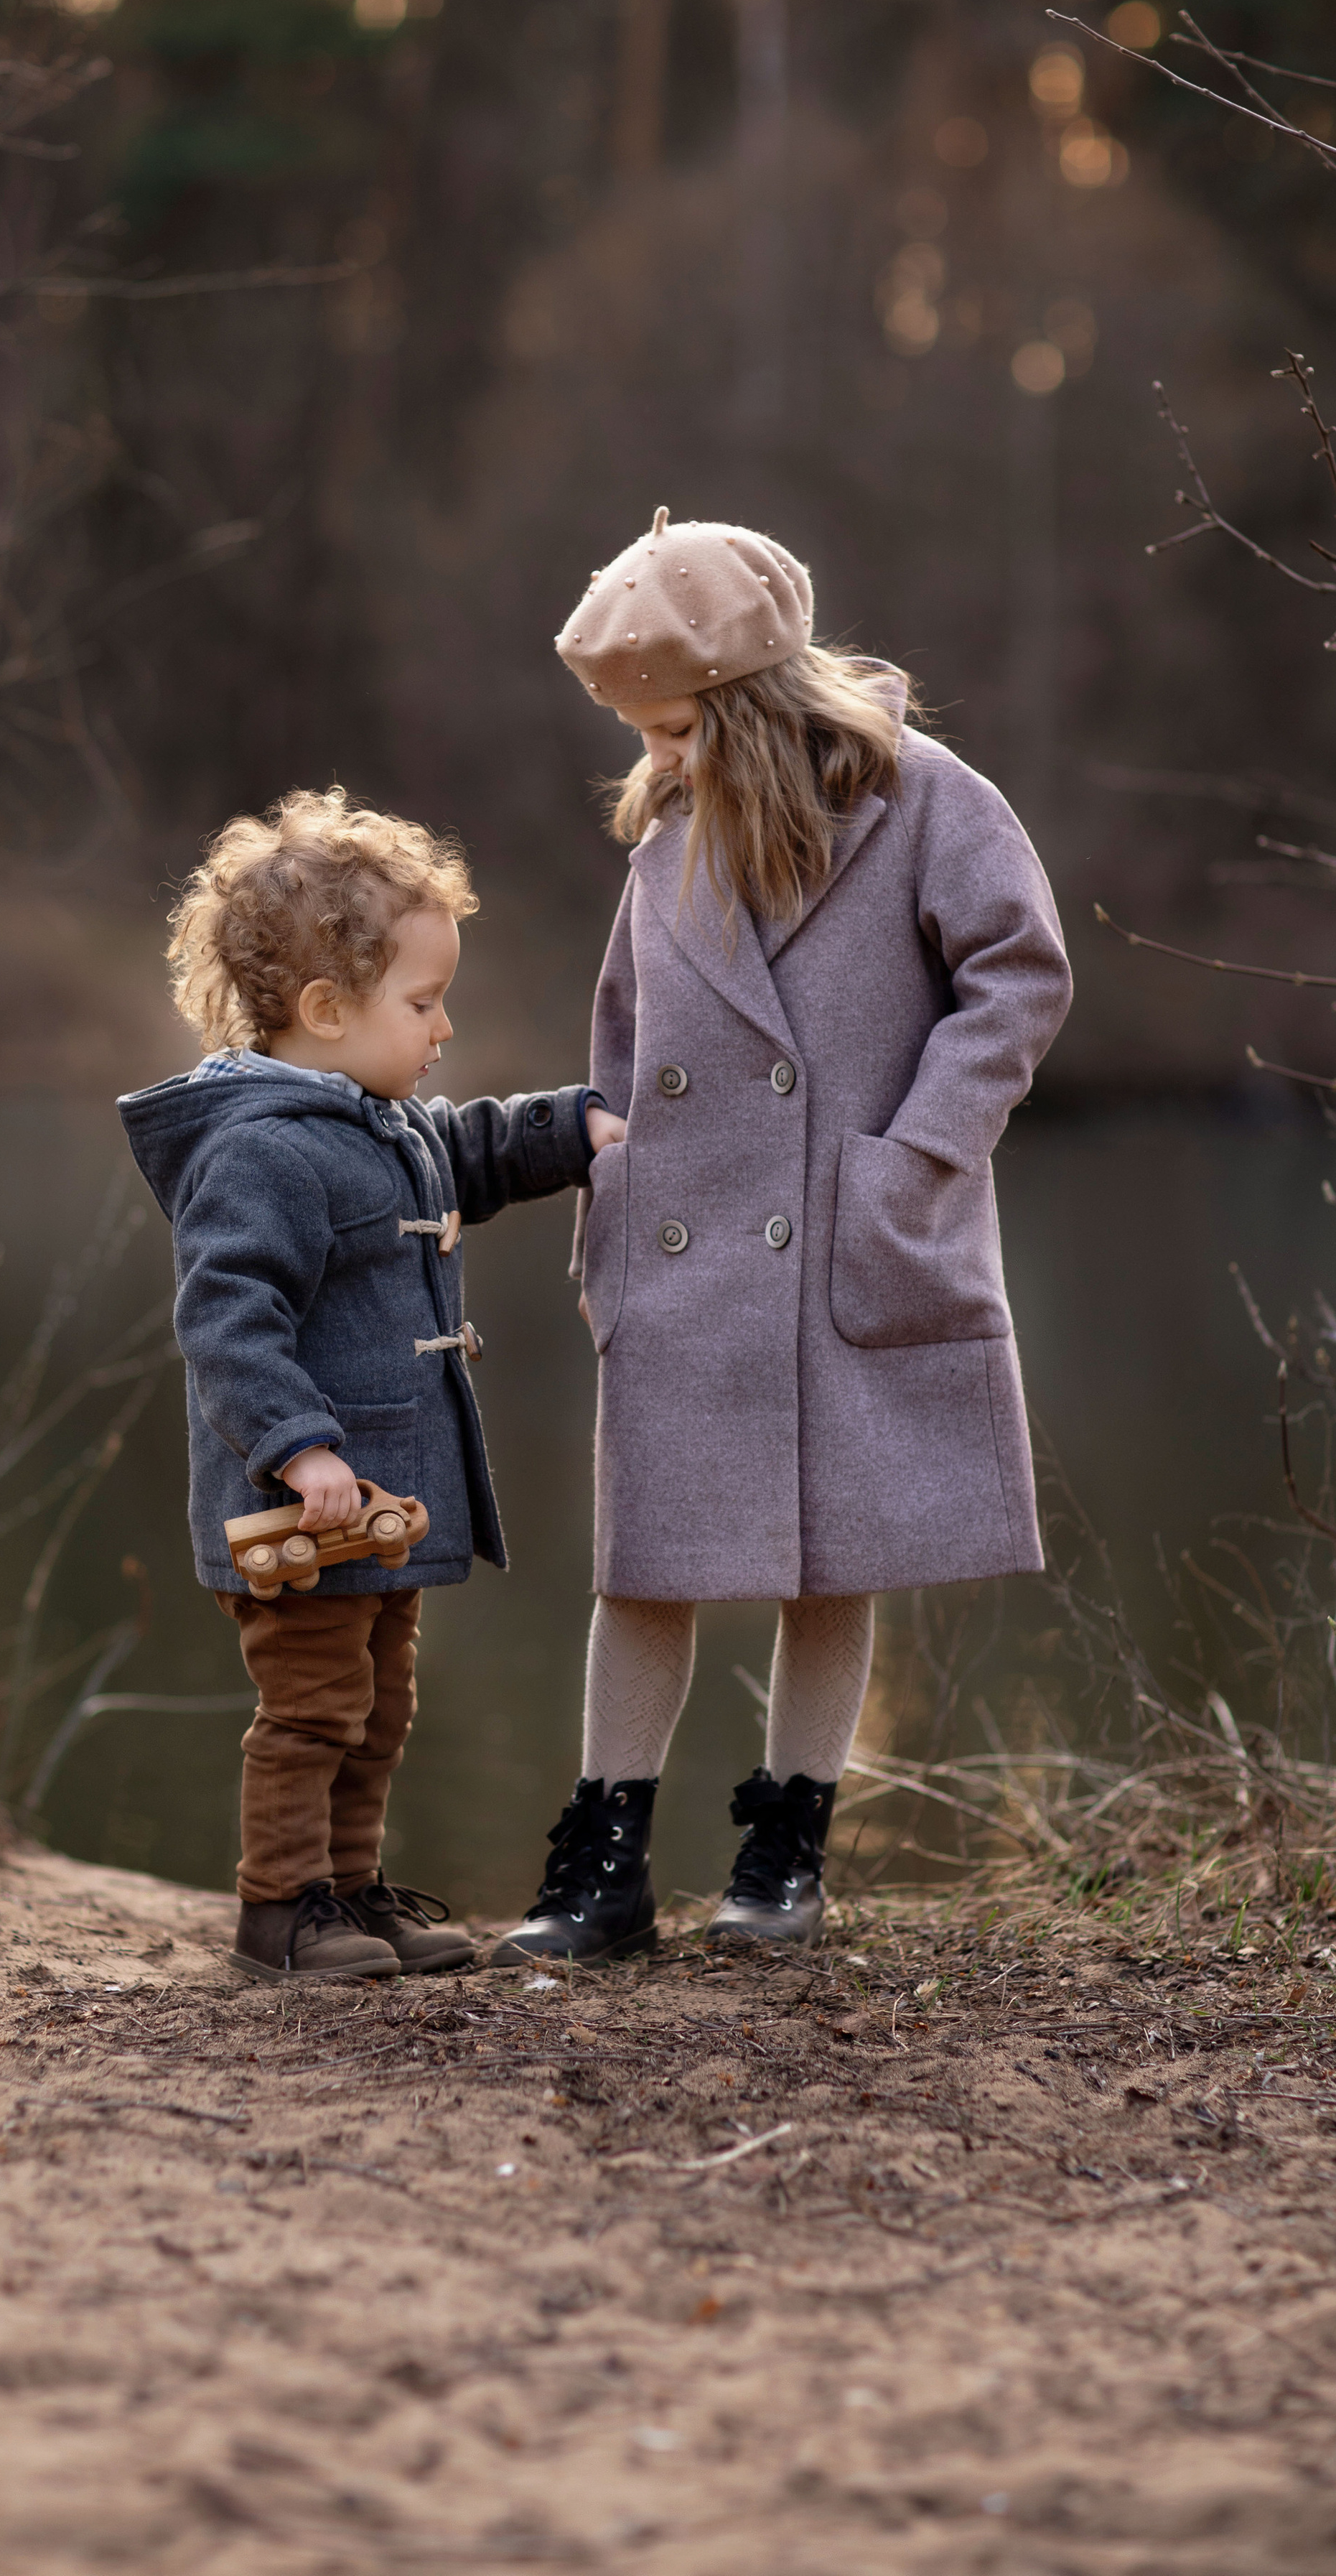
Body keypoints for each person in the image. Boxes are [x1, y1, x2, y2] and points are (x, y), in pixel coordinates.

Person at [489, 509, 1071, 1968]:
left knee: (833, 1553)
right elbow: (623, 1041)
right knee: (644, 1560)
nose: (658, 756)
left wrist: (919, 1155)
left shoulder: (924, 799)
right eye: (643, 731)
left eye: (677, 726)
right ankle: (603, 1868)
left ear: (751, 699)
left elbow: (1020, 977)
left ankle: (785, 1856)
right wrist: (610, 1200)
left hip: (843, 1227)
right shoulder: (666, 839)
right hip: (682, 1241)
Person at [120, 789, 625, 1984]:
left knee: (379, 1706)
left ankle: (349, 1892)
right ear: (327, 1010)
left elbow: (475, 1148)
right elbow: (228, 1322)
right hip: (305, 1512)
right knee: (310, 1710)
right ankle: (279, 1911)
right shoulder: (262, 1151)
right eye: (423, 1001)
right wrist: (300, 1447)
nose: (445, 1026)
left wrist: (578, 1128)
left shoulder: (379, 1124)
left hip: (380, 1509)